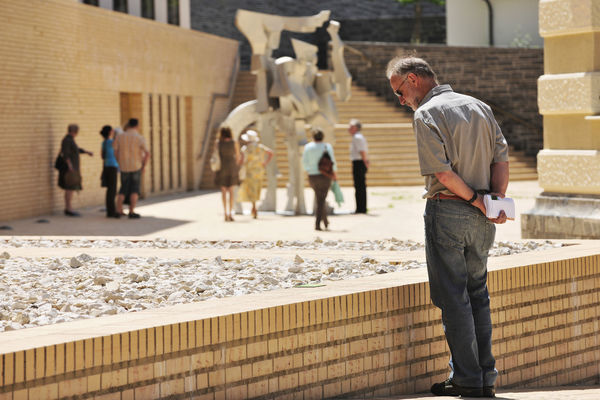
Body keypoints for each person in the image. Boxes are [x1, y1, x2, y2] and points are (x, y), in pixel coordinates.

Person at [386, 56, 509, 398]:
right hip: (484, 215)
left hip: (450, 209)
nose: (401, 100)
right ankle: (484, 377)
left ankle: (468, 379)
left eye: (399, 91)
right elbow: (501, 159)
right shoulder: (479, 106)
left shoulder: (426, 113)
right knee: (478, 295)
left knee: (454, 299)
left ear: (413, 79)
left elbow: (442, 173)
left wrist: (474, 200)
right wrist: (494, 199)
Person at [113, 118, 150, 219]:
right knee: (134, 189)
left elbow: (115, 151)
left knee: (123, 188)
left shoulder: (120, 137)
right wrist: (143, 166)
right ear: (137, 125)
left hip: (124, 166)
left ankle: (118, 210)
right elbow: (147, 153)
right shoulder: (139, 137)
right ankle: (131, 211)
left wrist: (119, 162)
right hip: (136, 166)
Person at [302, 127, 337, 231]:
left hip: (313, 176)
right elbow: (332, 162)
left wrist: (309, 170)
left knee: (320, 199)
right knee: (321, 199)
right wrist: (334, 174)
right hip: (325, 175)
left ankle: (325, 221)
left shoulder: (308, 147)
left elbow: (304, 162)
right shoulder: (327, 146)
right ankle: (318, 223)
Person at [58, 124, 93, 217]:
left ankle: (68, 207)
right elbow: (66, 154)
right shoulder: (67, 140)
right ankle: (68, 208)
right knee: (70, 188)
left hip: (72, 167)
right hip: (70, 169)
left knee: (71, 188)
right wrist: (70, 166)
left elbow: (76, 150)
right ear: (75, 131)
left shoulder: (70, 140)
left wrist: (86, 152)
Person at [238, 130, 273, 219]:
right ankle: (254, 207)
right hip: (259, 170)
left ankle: (254, 207)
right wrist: (265, 163)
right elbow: (270, 152)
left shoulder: (245, 148)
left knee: (251, 189)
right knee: (256, 188)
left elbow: (241, 160)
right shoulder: (260, 147)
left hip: (249, 171)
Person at [214, 126, 241, 222]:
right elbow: (238, 157)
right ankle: (230, 212)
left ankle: (225, 212)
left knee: (224, 192)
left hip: (222, 168)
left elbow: (215, 155)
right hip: (232, 167)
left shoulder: (218, 143)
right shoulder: (234, 142)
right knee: (231, 192)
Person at [348, 119, 369, 213]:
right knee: (359, 186)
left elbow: (362, 151)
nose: (349, 128)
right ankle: (360, 208)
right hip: (358, 162)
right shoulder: (357, 137)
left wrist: (365, 162)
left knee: (360, 187)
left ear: (356, 128)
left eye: (351, 127)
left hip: (359, 163)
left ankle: (361, 208)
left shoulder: (357, 137)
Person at [100, 125, 119, 218]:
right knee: (112, 190)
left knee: (110, 190)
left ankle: (110, 210)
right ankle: (112, 211)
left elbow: (102, 156)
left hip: (107, 166)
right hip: (112, 166)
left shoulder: (104, 142)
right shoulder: (111, 142)